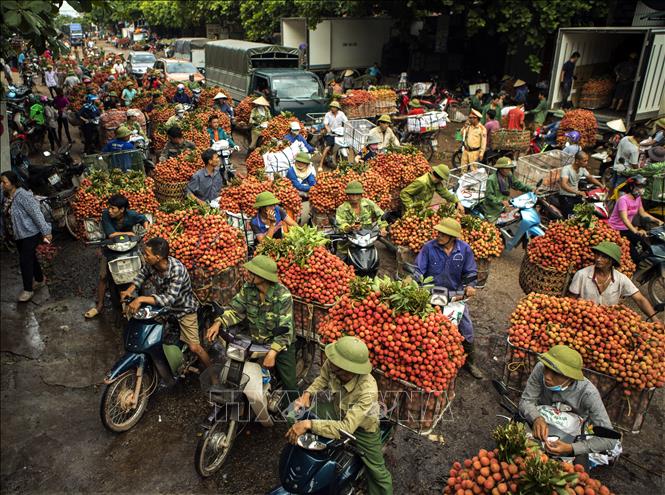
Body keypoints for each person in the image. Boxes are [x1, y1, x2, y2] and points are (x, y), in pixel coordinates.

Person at [288, 336, 393, 495]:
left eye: (336, 366)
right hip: (337, 410)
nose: (330, 364)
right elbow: (321, 379)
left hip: (361, 427)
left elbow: (346, 427)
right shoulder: (333, 364)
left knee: (377, 472)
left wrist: (309, 424)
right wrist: (307, 394)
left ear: (349, 370)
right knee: (291, 412)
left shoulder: (368, 390)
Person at [206, 254, 298, 402]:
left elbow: (285, 329)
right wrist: (219, 322)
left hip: (280, 344)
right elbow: (236, 310)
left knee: (290, 385)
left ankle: (296, 415)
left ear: (263, 276)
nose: (248, 274)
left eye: (252, 272)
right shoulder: (248, 289)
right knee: (238, 372)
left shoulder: (283, 295)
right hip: (256, 339)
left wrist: (273, 352)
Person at [121, 237, 212, 370]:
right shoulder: (152, 264)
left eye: (147, 254)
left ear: (158, 257)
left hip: (184, 309)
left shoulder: (177, 270)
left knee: (194, 347)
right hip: (164, 309)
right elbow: (142, 275)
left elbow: (169, 299)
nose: (144, 256)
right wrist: (129, 290)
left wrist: (140, 299)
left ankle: (212, 375)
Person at [519, 345, 619, 461]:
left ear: (571, 377)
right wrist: (536, 418)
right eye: (547, 368)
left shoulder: (588, 394)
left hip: (569, 435)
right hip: (539, 425)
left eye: (556, 373)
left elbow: (609, 440)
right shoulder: (540, 369)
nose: (547, 376)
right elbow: (526, 401)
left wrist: (571, 448)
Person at [413, 218, 483, 378]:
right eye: (439, 232)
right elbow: (418, 269)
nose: (439, 235)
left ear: (453, 236)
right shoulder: (428, 248)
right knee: (428, 329)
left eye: (443, 234)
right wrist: (414, 282)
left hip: (455, 296)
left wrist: (470, 286)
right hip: (431, 294)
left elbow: (470, 272)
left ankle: (470, 362)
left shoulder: (464, 250)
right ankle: (428, 363)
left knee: (466, 328)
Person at [85, 194, 150, 319]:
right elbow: (111, 234)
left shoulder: (131, 215)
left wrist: (146, 228)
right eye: (109, 207)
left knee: (145, 268)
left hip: (131, 247)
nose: (110, 210)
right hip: (110, 248)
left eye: (113, 208)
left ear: (122, 209)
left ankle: (146, 297)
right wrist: (130, 233)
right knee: (103, 276)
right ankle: (99, 305)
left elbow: (143, 219)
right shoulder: (106, 215)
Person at [568, 242, 658, 320]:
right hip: (584, 319)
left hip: (609, 321)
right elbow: (571, 300)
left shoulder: (621, 278)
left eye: (604, 257)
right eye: (597, 255)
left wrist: (655, 319)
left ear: (612, 261)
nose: (598, 259)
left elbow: (640, 299)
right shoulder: (581, 275)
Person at [1, 171, 52, 303]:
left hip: (30, 233)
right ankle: (40, 280)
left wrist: (46, 231)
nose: (2, 184)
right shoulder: (7, 195)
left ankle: (28, 290)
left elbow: (36, 213)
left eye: (4, 182)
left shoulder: (23, 195)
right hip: (18, 234)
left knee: (25, 261)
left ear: (12, 183)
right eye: (1, 182)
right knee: (30, 257)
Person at [608, 176, 663, 264]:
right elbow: (624, 219)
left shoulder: (637, 198)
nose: (642, 190)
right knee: (635, 256)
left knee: (646, 247)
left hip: (627, 229)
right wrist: (636, 231)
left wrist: (658, 221)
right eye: (640, 187)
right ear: (631, 187)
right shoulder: (623, 200)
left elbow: (643, 213)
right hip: (616, 229)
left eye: (643, 187)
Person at [480, 157, 532, 222]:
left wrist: (530, 189)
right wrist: (501, 201)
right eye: (506, 168)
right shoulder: (492, 179)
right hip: (492, 209)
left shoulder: (509, 175)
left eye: (509, 168)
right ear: (500, 169)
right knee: (492, 226)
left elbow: (517, 184)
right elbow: (488, 195)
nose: (508, 170)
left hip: (504, 206)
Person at [400, 164, 464, 214]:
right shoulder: (422, 182)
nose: (438, 179)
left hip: (423, 209)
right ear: (433, 172)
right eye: (437, 176)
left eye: (440, 178)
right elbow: (404, 193)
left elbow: (445, 193)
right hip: (412, 211)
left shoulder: (436, 183)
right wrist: (411, 207)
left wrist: (458, 202)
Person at [557, 151, 603, 217]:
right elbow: (564, 185)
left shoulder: (582, 169)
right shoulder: (566, 169)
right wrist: (578, 192)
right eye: (584, 161)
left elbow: (590, 178)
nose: (586, 163)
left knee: (585, 213)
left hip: (575, 196)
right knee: (571, 217)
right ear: (577, 161)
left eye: (587, 161)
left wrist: (601, 185)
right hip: (565, 197)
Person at [320, 101, 348, 170]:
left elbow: (346, 122)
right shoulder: (328, 114)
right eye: (332, 107)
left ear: (337, 108)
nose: (332, 108)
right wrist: (329, 130)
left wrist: (349, 127)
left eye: (334, 107)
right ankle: (320, 165)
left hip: (340, 133)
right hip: (331, 133)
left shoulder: (341, 114)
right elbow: (326, 124)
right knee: (328, 147)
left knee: (348, 145)